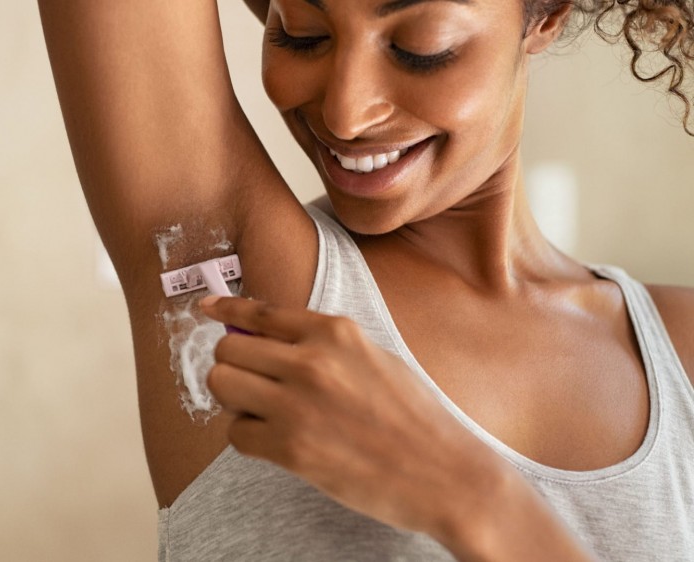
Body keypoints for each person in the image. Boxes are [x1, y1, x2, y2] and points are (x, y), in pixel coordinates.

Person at [38, 0, 694, 559]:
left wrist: (473, 497)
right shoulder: (234, 278)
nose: (347, 114)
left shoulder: (682, 355)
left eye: (420, 48)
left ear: (545, 15)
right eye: (301, 32)